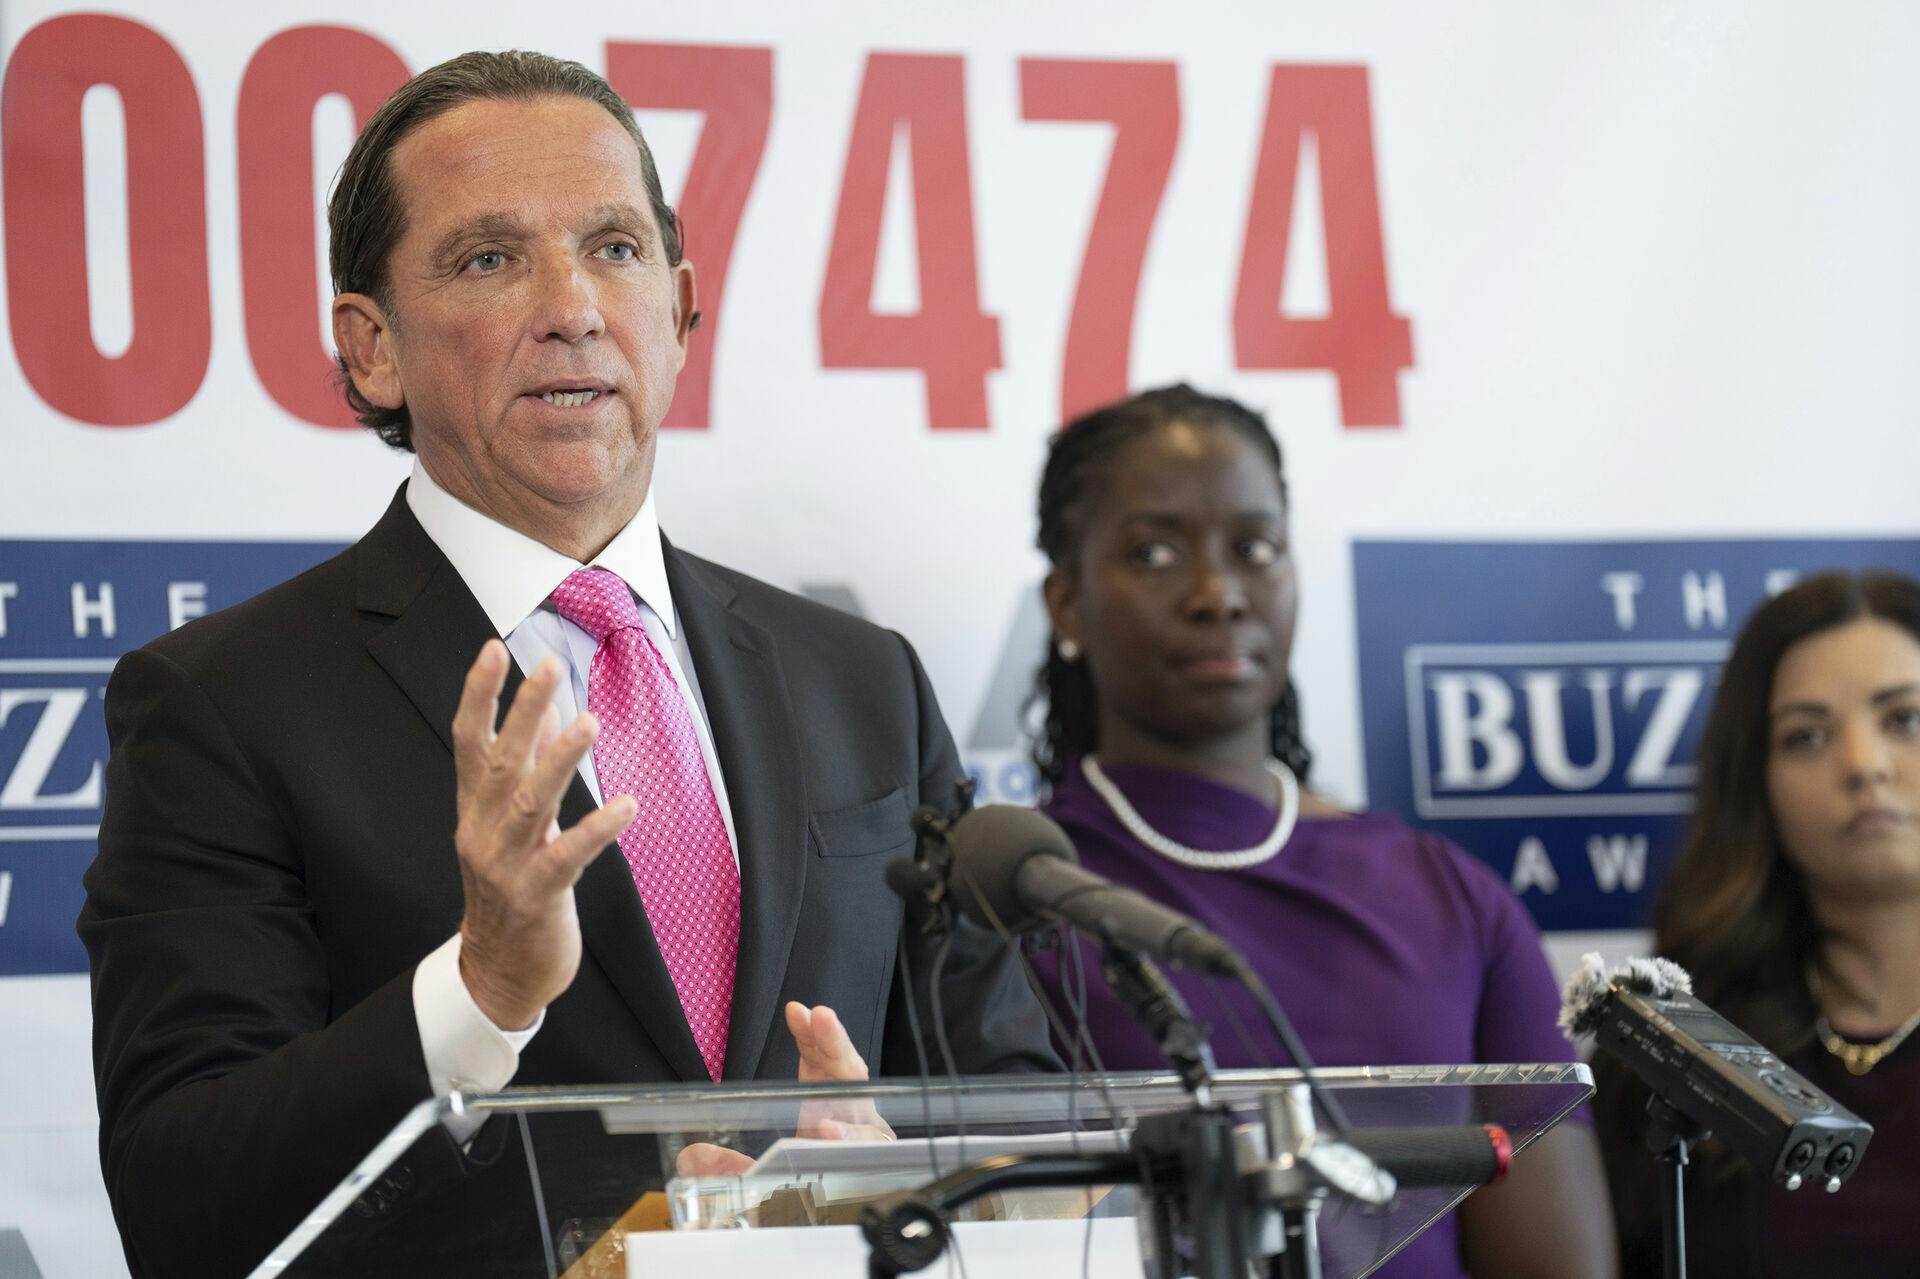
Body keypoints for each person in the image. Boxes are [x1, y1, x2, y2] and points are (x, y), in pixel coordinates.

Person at [78, 51, 1053, 1278]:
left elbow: (1023, 1101)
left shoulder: (862, 682)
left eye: (615, 248)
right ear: (372, 348)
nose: (574, 306)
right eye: (491, 258)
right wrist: (479, 989)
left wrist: (902, 1177)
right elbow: (183, 1202)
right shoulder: (225, 704)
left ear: (683, 311)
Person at [1024, 384, 1616, 1278]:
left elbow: (1558, 1263)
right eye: (1153, 552)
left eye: (1254, 548)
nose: (1218, 593)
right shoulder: (1016, 894)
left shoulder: (1447, 895)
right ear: (1066, 605)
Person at [1593, 570, 1920, 1277]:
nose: (1865, 765)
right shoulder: (1669, 1048)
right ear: (1757, 780)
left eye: (1905, 719)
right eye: (1806, 736)